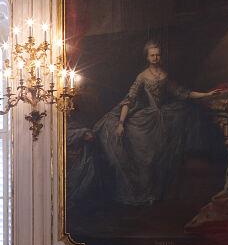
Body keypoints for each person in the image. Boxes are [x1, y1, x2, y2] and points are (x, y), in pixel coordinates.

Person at [76, 40, 212, 207]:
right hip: (146, 121)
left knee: (164, 153)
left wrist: (206, 94)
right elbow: (129, 100)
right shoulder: (142, 76)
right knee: (146, 158)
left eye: (158, 55)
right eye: (152, 55)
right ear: (147, 57)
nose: (155, 57)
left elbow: (183, 93)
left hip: (165, 117)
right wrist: (121, 123)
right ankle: (145, 193)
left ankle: (157, 193)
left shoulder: (164, 75)